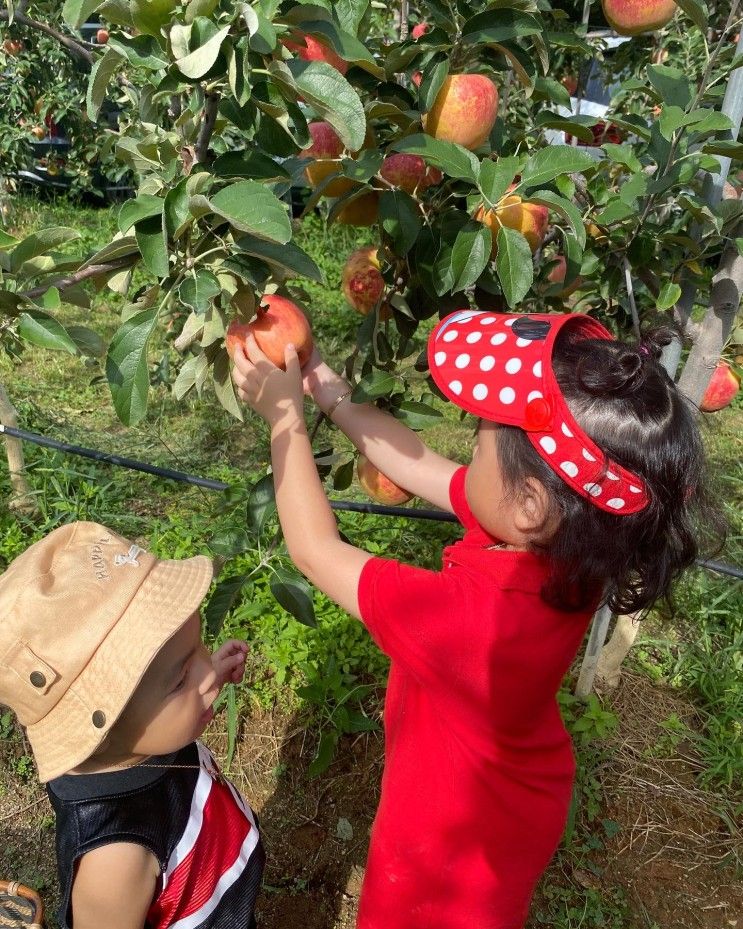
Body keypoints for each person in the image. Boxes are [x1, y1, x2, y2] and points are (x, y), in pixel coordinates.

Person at [231, 308, 723, 929]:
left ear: (530, 503)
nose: (467, 452)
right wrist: (332, 395)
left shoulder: (471, 621)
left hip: (445, 845)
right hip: (515, 795)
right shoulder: (574, 542)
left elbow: (313, 549)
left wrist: (283, 421)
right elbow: (421, 467)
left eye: (480, 440)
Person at [0, 521, 265, 929]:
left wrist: (201, 671)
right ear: (101, 729)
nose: (206, 676)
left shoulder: (139, 739)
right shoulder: (116, 860)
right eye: (180, 678)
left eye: (198, 647)